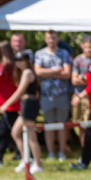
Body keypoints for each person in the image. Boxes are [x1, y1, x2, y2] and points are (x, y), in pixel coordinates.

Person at [34, 30, 72, 161]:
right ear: (45, 39)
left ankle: (61, 152)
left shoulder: (64, 53)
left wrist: (47, 73)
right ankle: (51, 153)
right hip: (46, 96)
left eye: (53, 38)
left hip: (62, 95)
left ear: (58, 39)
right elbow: (38, 71)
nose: (51, 40)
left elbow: (67, 74)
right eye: (49, 38)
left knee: (62, 124)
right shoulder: (40, 54)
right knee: (48, 125)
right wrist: (56, 71)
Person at [4, 52, 43, 174]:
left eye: (21, 59)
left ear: (26, 61)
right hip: (27, 104)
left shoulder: (27, 73)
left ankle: (38, 164)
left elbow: (19, 91)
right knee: (15, 133)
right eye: (16, 59)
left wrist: (6, 105)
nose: (18, 62)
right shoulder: (24, 73)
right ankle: (25, 159)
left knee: (31, 137)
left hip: (29, 104)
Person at [71, 35, 91, 149]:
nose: (89, 50)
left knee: (89, 125)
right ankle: (85, 149)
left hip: (88, 98)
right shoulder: (78, 60)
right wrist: (84, 79)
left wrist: (83, 78)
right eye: (87, 47)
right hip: (79, 95)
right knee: (80, 125)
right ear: (82, 46)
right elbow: (74, 80)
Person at [72, 58, 91, 170]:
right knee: (88, 134)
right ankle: (85, 161)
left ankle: (85, 161)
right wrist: (81, 76)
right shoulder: (90, 64)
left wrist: (80, 96)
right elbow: (87, 77)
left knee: (89, 134)